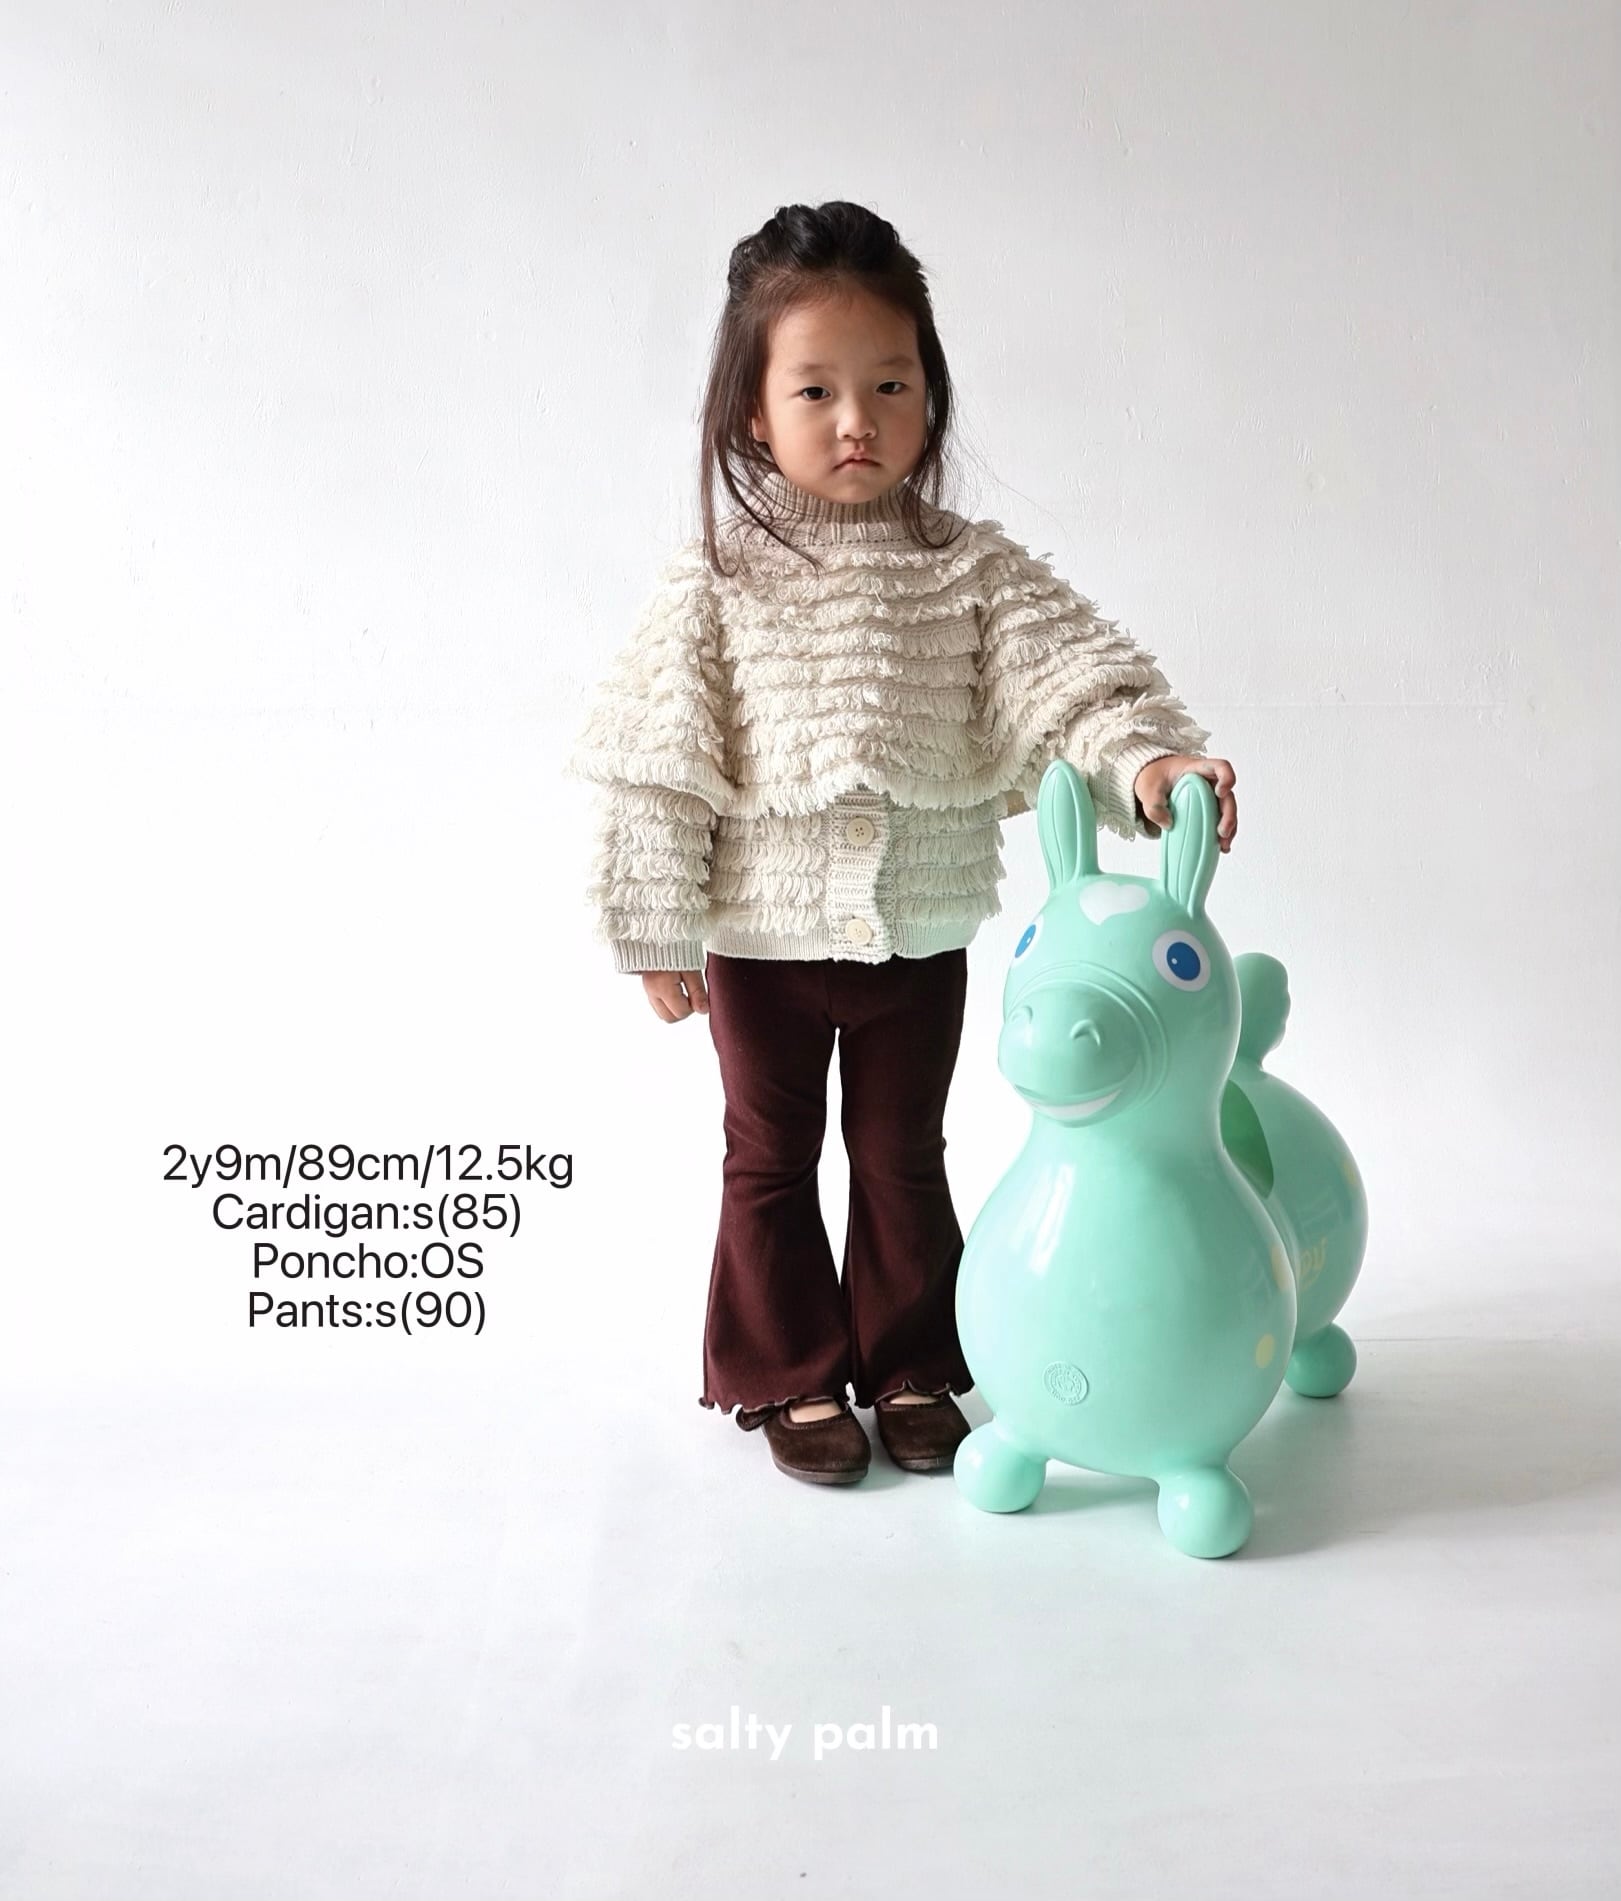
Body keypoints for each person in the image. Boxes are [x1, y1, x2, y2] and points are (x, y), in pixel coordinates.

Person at [566, 201, 1238, 1488]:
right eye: (814, 389)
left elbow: (1074, 678)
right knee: (768, 1159)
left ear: (931, 394)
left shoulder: (969, 570)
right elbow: (659, 761)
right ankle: (790, 1370)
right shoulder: (717, 581)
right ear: (751, 413)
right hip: (760, 944)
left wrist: (1148, 760)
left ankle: (915, 1360)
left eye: (889, 384)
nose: (856, 419)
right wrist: (655, 928)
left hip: (918, 934)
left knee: (902, 1155)